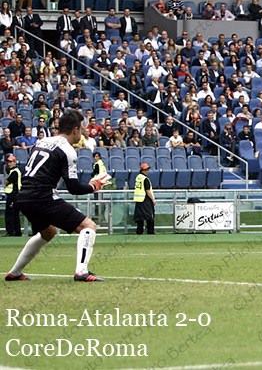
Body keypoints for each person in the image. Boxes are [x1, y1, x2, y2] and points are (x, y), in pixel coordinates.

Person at [5, 110, 111, 282]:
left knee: (48, 232)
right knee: (88, 226)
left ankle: (15, 273)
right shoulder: (68, 150)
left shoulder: (42, 141)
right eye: (82, 128)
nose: (83, 132)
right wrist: (93, 186)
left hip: (24, 196)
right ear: (75, 129)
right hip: (42, 196)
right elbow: (74, 188)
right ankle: (82, 271)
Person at [134, 162, 156, 235]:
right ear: (143, 170)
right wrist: (153, 199)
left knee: (140, 218)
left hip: (138, 200)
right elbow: (148, 190)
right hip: (145, 199)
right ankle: (150, 232)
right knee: (149, 217)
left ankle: (139, 232)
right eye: (146, 170)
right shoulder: (145, 179)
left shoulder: (138, 177)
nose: (147, 171)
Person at [4, 154, 21, 236]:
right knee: (14, 214)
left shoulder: (14, 172)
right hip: (14, 195)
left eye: (10, 162)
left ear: (14, 162)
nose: (8, 163)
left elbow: (7, 182)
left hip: (13, 195)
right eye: (8, 162)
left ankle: (11, 231)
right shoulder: (13, 171)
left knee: (10, 214)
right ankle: (16, 232)